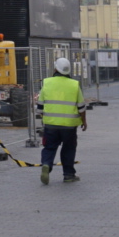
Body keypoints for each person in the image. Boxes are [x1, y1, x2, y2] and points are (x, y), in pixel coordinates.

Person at [38, 57, 86, 185]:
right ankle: (69, 175)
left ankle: (47, 165)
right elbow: (81, 107)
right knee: (69, 149)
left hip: (51, 124)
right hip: (69, 126)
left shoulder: (46, 83)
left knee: (49, 147)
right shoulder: (74, 85)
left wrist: (46, 118)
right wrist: (84, 122)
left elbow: (39, 107)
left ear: (55, 69)